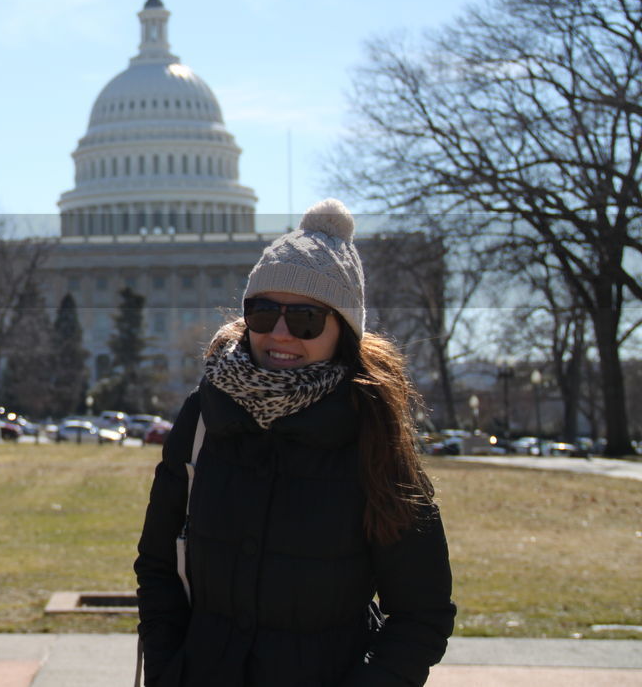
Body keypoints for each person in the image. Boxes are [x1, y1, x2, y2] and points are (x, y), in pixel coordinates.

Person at [135, 199, 454, 687]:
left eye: (305, 318)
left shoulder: (373, 432)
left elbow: (421, 613)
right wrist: (167, 670)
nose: (280, 333)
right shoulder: (204, 415)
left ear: (342, 329)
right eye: (263, 313)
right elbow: (158, 566)